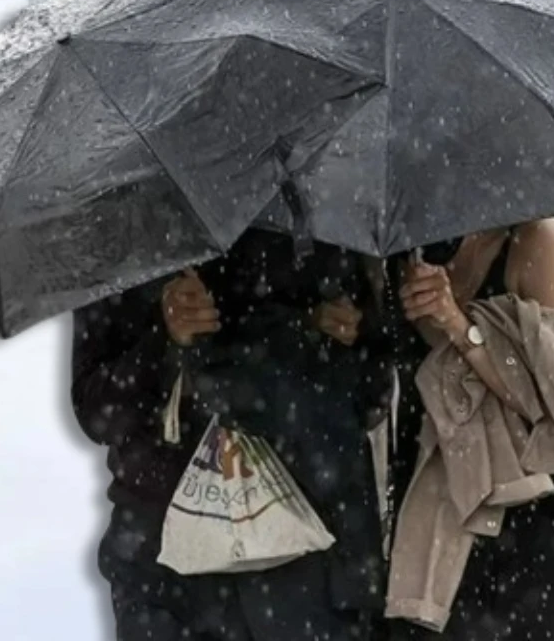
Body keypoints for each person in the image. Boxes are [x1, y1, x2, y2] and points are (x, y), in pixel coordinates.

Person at [72, 228, 389, 641]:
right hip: (167, 560)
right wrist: (165, 341)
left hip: (310, 548)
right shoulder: (118, 233)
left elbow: (373, 387)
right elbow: (97, 413)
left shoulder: (321, 208)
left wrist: (323, 330)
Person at [315, 219, 554, 641]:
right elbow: (384, 381)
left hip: (535, 529)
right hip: (439, 520)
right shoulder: (403, 252)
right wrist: (350, 328)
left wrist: (459, 325)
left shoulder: (537, 242)